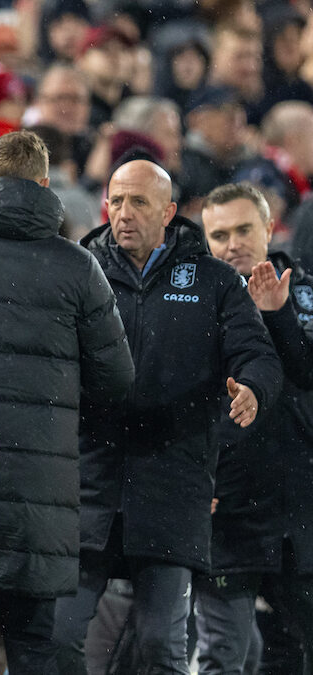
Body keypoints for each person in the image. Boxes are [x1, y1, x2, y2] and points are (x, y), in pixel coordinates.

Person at [53, 159, 283, 674]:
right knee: (59, 636)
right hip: (88, 487)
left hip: (171, 488)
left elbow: (257, 354)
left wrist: (251, 388)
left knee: (161, 644)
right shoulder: (78, 271)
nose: (124, 213)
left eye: (139, 202)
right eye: (116, 201)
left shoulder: (215, 281)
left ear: (169, 211)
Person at [0, 130, 134, 673]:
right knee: (34, 645)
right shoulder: (77, 266)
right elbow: (117, 381)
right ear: (47, 186)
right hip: (42, 490)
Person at [199, 182, 313, 674]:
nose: (232, 244)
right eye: (219, 234)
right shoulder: (192, 300)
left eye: (244, 229)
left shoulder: (304, 291)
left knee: (296, 650)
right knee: (227, 657)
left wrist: (278, 313)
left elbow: (308, 373)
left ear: (269, 227)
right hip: (227, 508)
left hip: (298, 509)